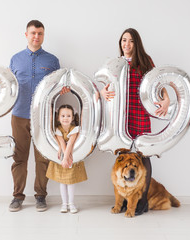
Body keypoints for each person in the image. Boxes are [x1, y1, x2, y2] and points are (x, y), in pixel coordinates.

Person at [0, 20, 69, 212]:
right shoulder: (15, 59)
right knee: (19, 158)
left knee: (43, 159)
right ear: (26, 34)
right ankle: (17, 197)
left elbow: (57, 86)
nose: (36, 37)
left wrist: (63, 90)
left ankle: (41, 196)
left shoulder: (52, 60)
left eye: (40, 33)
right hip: (19, 115)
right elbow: (9, 85)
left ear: (43, 35)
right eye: (33, 33)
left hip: (43, 117)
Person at [101, 28, 170, 216]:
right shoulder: (116, 64)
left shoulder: (145, 61)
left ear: (136, 43)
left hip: (139, 113)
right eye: (124, 40)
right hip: (121, 116)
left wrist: (166, 99)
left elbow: (159, 82)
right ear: (120, 43)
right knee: (124, 156)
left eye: (131, 41)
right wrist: (103, 92)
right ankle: (124, 200)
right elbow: (105, 86)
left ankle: (141, 201)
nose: (127, 44)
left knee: (142, 155)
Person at [46, 104, 87, 214]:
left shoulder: (75, 129)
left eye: (68, 116)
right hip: (63, 158)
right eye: (63, 116)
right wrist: (63, 157)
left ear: (73, 117)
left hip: (71, 158)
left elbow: (70, 145)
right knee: (62, 182)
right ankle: (64, 204)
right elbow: (62, 144)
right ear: (58, 117)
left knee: (71, 182)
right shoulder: (57, 130)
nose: (65, 118)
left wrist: (67, 158)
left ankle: (71, 203)